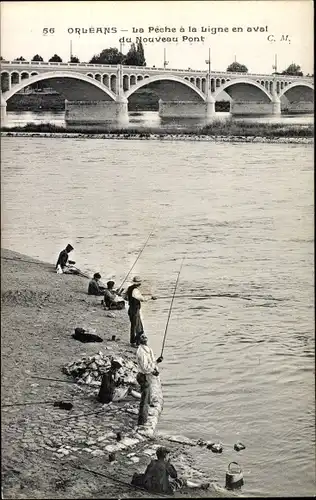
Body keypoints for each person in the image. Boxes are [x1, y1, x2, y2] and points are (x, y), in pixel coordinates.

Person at [131, 447, 210, 494]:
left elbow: (147, 474)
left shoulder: (152, 463)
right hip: (162, 489)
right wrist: (169, 464)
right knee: (182, 480)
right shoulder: (167, 464)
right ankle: (199, 486)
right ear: (165, 456)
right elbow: (174, 476)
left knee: (141, 476)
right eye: (168, 455)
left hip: (148, 486)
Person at [136, 333, 163, 426]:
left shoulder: (148, 349)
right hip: (143, 376)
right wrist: (155, 363)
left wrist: (155, 368)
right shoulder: (141, 352)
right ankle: (142, 421)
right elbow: (145, 368)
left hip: (148, 376)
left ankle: (144, 417)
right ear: (140, 340)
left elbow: (151, 363)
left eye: (145, 336)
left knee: (147, 398)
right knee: (145, 400)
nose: (144, 338)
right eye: (142, 337)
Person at [125, 276, 156, 347]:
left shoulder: (129, 288)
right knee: (136, 326)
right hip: (135, 310)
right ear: (138, 284)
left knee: (136, 325)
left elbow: (124, 297)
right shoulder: (135, 290)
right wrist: (151, 297)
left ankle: (137, 341)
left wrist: (131, 300)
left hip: (131, 309)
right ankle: (133, 342)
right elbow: (142, 299)